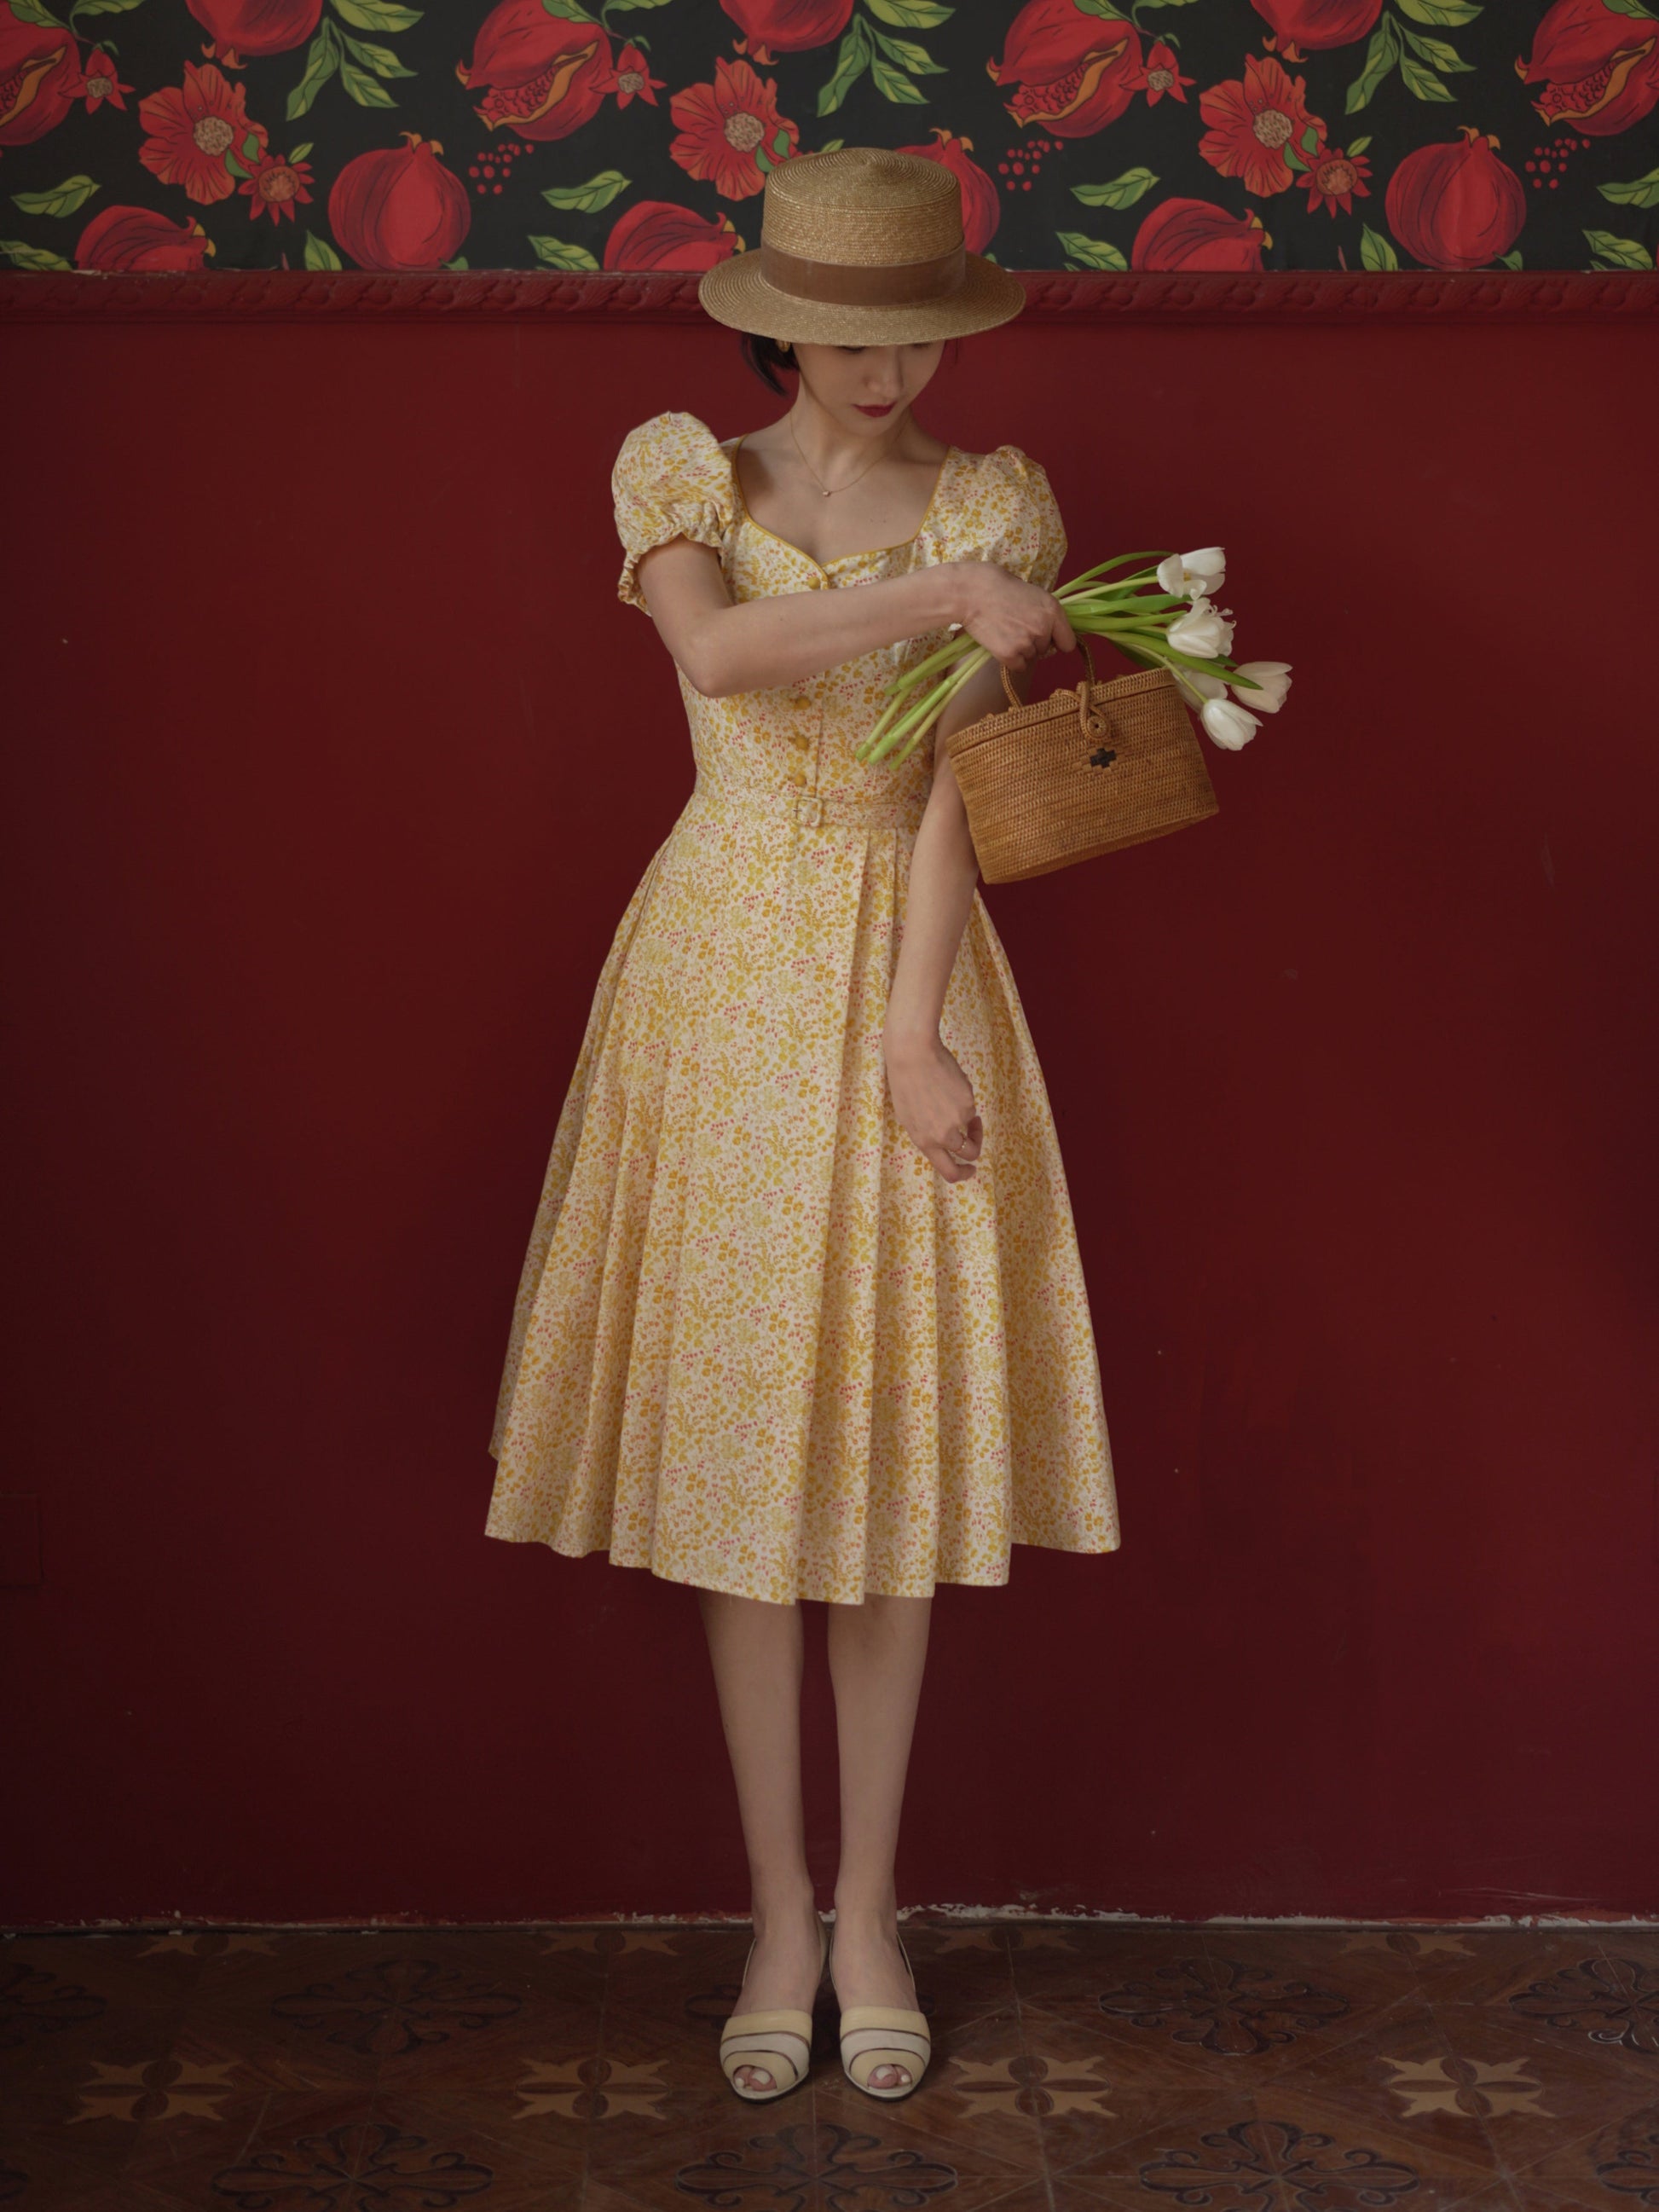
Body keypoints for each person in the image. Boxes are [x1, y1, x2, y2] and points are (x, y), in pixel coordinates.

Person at [484, 148, 1121, 2105]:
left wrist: (921, 1032)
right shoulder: (682, 465)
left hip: (907, 959)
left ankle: (870, 1905)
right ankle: (774, 1903)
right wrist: (941, 594)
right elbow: (717, 655)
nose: (883, 365)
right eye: (847, 329)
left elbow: (953, 780)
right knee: (750, 1479)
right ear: (777, 322)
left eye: (916, 328)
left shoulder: (1000, 496)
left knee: (895, 1486)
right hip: (722, 959)